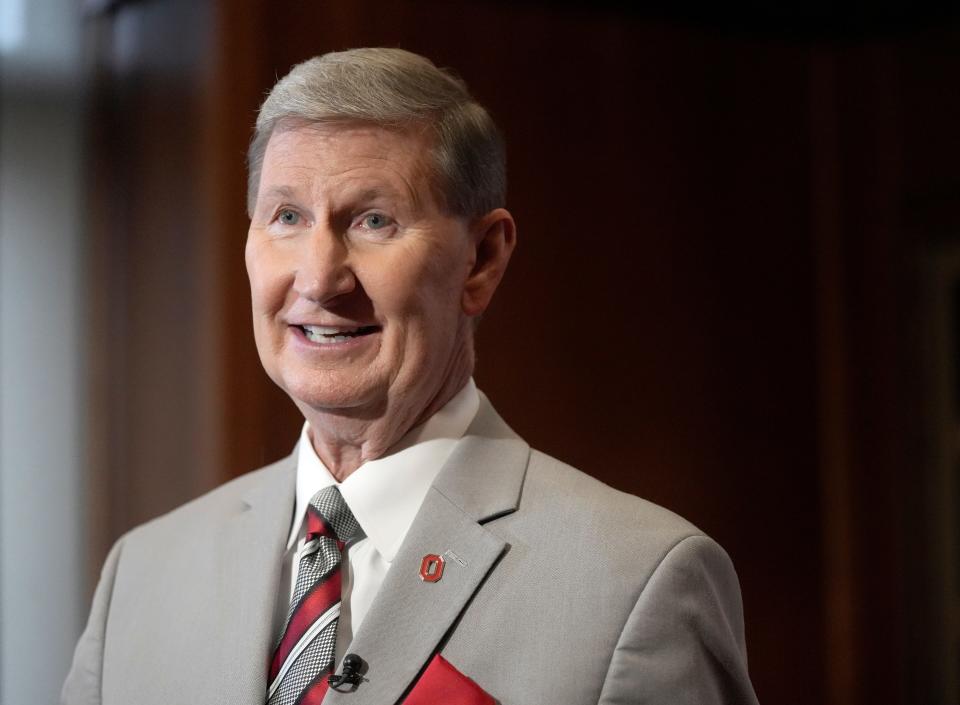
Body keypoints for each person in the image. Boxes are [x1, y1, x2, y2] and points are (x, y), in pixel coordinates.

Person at [62, 48, 760, 705]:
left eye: (373, 220)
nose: (317, 278)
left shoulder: (638, 582)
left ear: (481, 259)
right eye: (287, 216)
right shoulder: (142, 573)